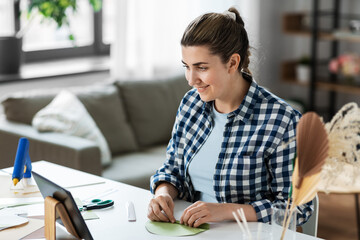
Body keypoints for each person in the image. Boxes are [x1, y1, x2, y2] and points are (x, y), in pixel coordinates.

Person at [147, 7, 313, 228]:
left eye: (202, 68)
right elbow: (173, 168)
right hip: (192, 230)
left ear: (233, 63)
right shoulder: (190, 104)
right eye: (187, 67)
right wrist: (163, 193)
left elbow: (297, 208)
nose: (191, 79)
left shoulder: (282, 121)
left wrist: (225, 211)